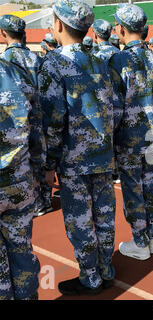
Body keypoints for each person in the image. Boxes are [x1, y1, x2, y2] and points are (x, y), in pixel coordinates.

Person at [38, 0, 123, 295]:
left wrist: (48, 165)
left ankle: (90, 277)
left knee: (80, 221)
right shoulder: (99, 60)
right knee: (104, 215)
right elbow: (116, 108)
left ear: (58, 25)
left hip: (74, 159)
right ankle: (105, 268)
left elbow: (53, 119)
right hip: (102, 154)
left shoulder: (54, 63)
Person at [110, 4, 153, 260]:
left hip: (130, 139)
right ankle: (151, 235)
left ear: (121, 28)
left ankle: (140, 241)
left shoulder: (119, 60)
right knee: (150, 187)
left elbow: (114, 105)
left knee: (133, 190)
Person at [0, 58, 45, 300]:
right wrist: (39, 170)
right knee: (22, 250)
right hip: (20, 180)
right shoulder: (18, 75)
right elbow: (37, 131)